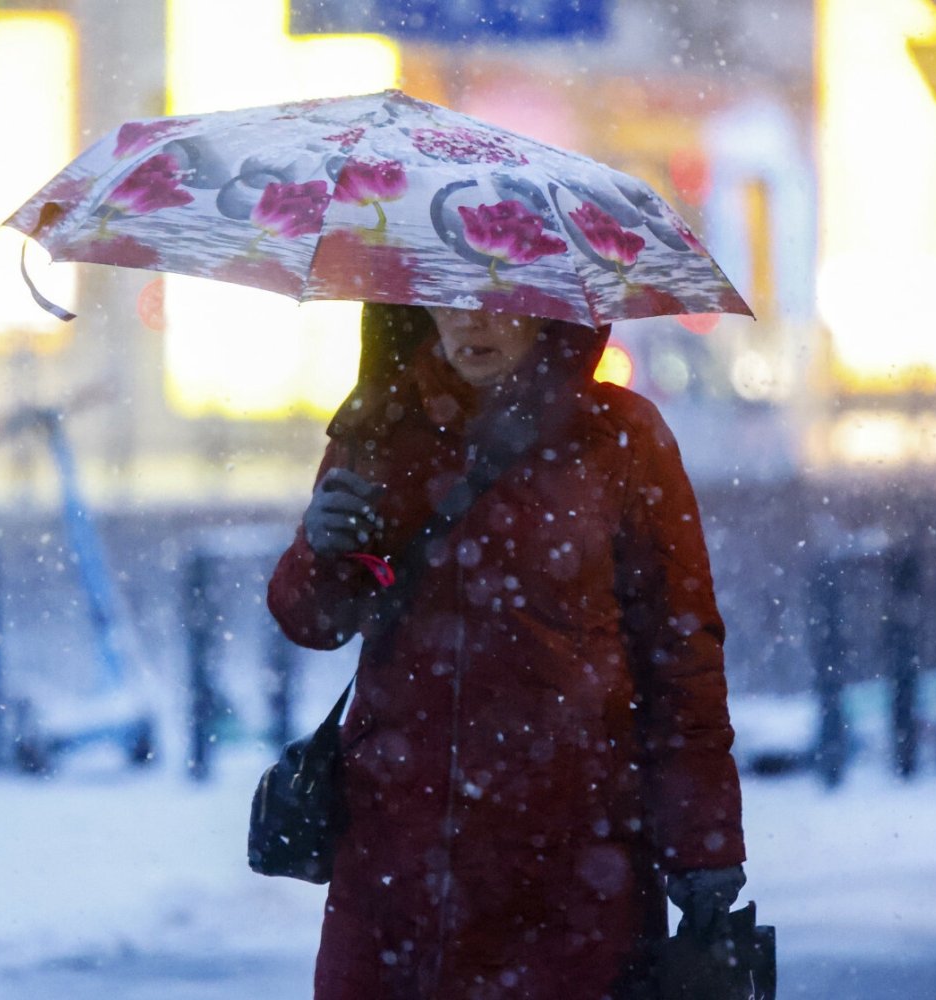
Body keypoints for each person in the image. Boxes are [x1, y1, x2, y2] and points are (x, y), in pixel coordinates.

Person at [268, 302, 746, 1000]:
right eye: (448, 297)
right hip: (398, 858)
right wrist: (320, 549)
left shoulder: (620, 438)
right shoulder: (377, 430)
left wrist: (703, 841)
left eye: (498, 298)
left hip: (572, 859)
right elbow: (313, 622)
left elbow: (682, 653)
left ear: (547, 308)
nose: (471, 323)